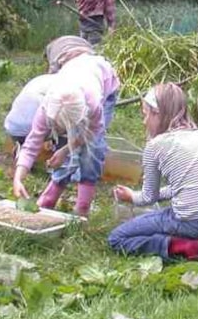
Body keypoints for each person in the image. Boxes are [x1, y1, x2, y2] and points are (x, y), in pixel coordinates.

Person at [108, 83, 198, 261]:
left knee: (117, 238)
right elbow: (184, 186)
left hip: (193, 222)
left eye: (145, 115)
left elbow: (148, 198)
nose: (143, 121)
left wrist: (132, 196)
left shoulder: (154, 146)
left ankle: (179, 246)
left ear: (157, 112)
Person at [11, 52, 120, 216]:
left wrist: (66, 150)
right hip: (75, 73)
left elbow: (93, 133)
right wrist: (18, 178)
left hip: (103, 79)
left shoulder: (93, 103)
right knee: (69, 146)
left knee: (93, 150)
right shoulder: (47, 106)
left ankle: (83, 206)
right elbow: (32, 144)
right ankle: (51, 194)